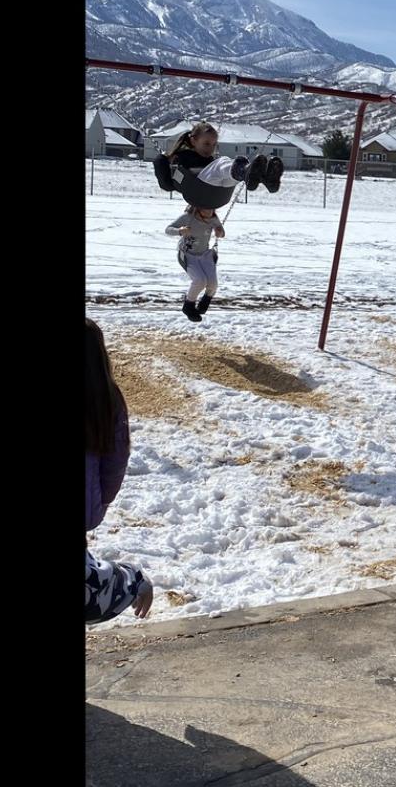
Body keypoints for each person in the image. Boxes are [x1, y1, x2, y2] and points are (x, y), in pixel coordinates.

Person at [86, 318, 154, 624]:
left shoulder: (108, 399)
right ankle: (131, 581)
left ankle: (131, 580)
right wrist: (99, 501)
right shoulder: (108, 398)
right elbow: (115, 464)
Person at [154, 122, 283, 202]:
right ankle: (244, 170)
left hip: (219, 195)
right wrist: (161, 160)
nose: (210, 148)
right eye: (206, 144)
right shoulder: (181, 157)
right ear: (193, 141)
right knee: (222, 162)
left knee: (228, 173)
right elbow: (167, 185)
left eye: (214, 144)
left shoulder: (209, 160)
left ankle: (263, 178)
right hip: (197, 190)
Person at [166, 204, 224, 321]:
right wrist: (180, 231)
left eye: (211, 208)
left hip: (204, 255)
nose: (209, 211)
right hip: (188, 255)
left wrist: (220, 233)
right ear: (198, 206)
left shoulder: (213, 218)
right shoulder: (188, 217)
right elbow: (168, 230)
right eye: (206, 207)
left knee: (213, 284)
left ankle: (204, 304)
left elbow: (222, 232)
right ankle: (188, 306)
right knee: (200, 280)